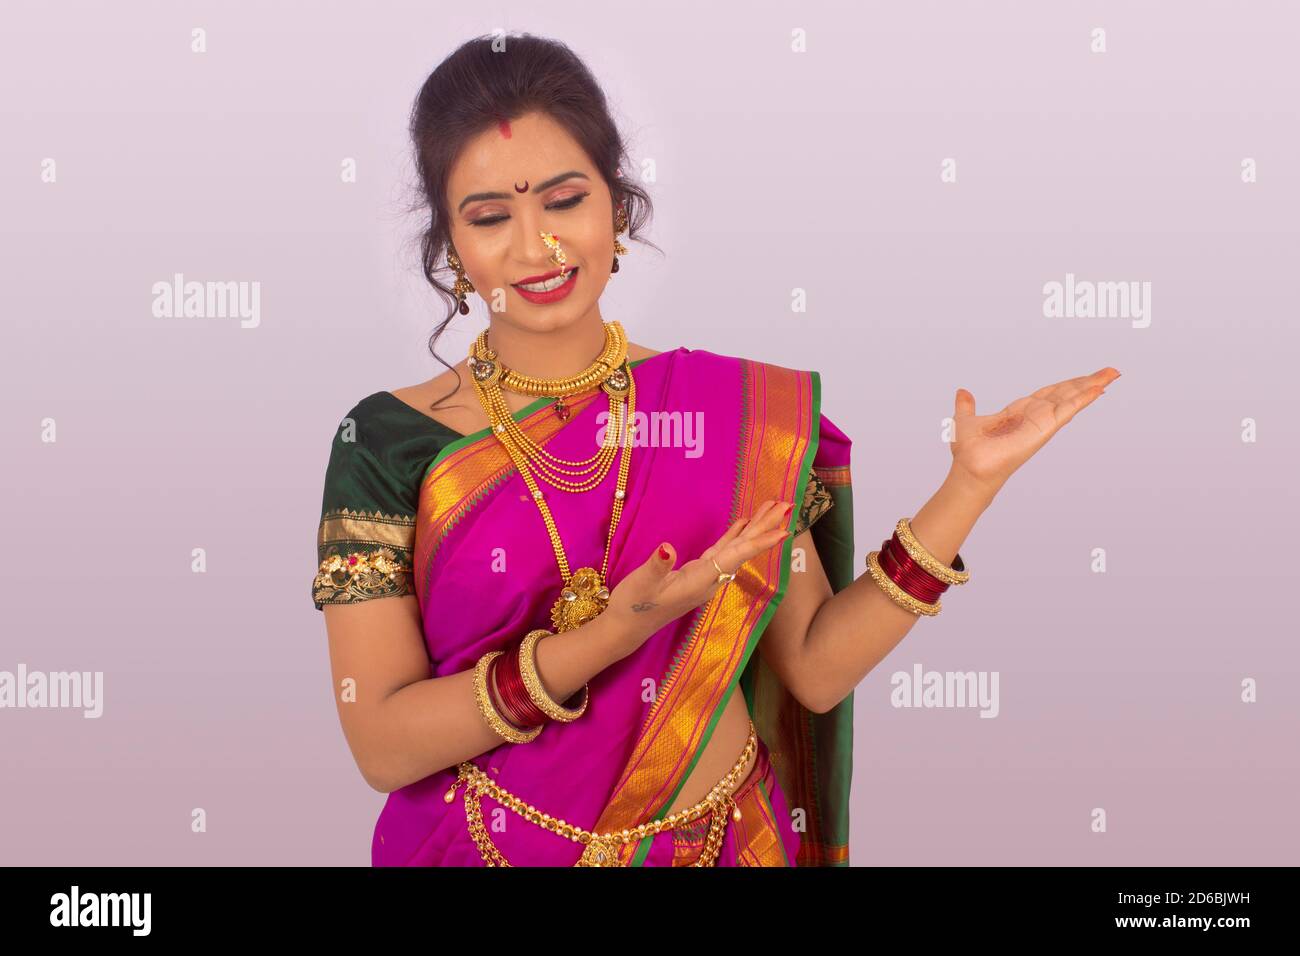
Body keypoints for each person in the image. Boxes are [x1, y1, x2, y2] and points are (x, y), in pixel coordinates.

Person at [311, 33, 1120, 867]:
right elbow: (382, 743)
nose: (535, 248)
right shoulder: (390, 442)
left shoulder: (731, 416)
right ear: (450, 245)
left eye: (564, 201)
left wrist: (969, 490)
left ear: (616, 207)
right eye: (489, 218)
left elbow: (812, 667)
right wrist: (610, 636)